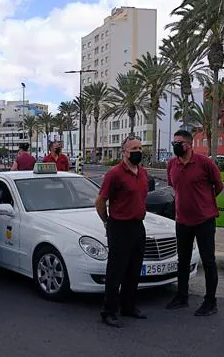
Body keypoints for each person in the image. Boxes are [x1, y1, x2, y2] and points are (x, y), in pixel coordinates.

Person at [165, 130, 224, 316]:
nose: (176, 145)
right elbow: (174, 186)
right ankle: (182, 296)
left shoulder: (205, 163)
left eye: (180, 142)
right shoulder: (171, 165)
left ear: (189, 144)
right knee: (182, 260)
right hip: (182, 220)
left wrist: (206, 201)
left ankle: (210, 301)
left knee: (208, 261)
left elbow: (218, 185)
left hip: (204, 220)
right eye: (174, 142)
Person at [95, 135, 148, 328]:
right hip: (119, 227)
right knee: (115, 272)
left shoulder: (142, 173)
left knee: (134, 269)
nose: (138, 152)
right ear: (124, 152)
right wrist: (107, 221)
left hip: (137, 227)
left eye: (140, 148)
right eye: (134, 149)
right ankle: (108, 311)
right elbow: (100, 201)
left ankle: (128, 306)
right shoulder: (114, 174)